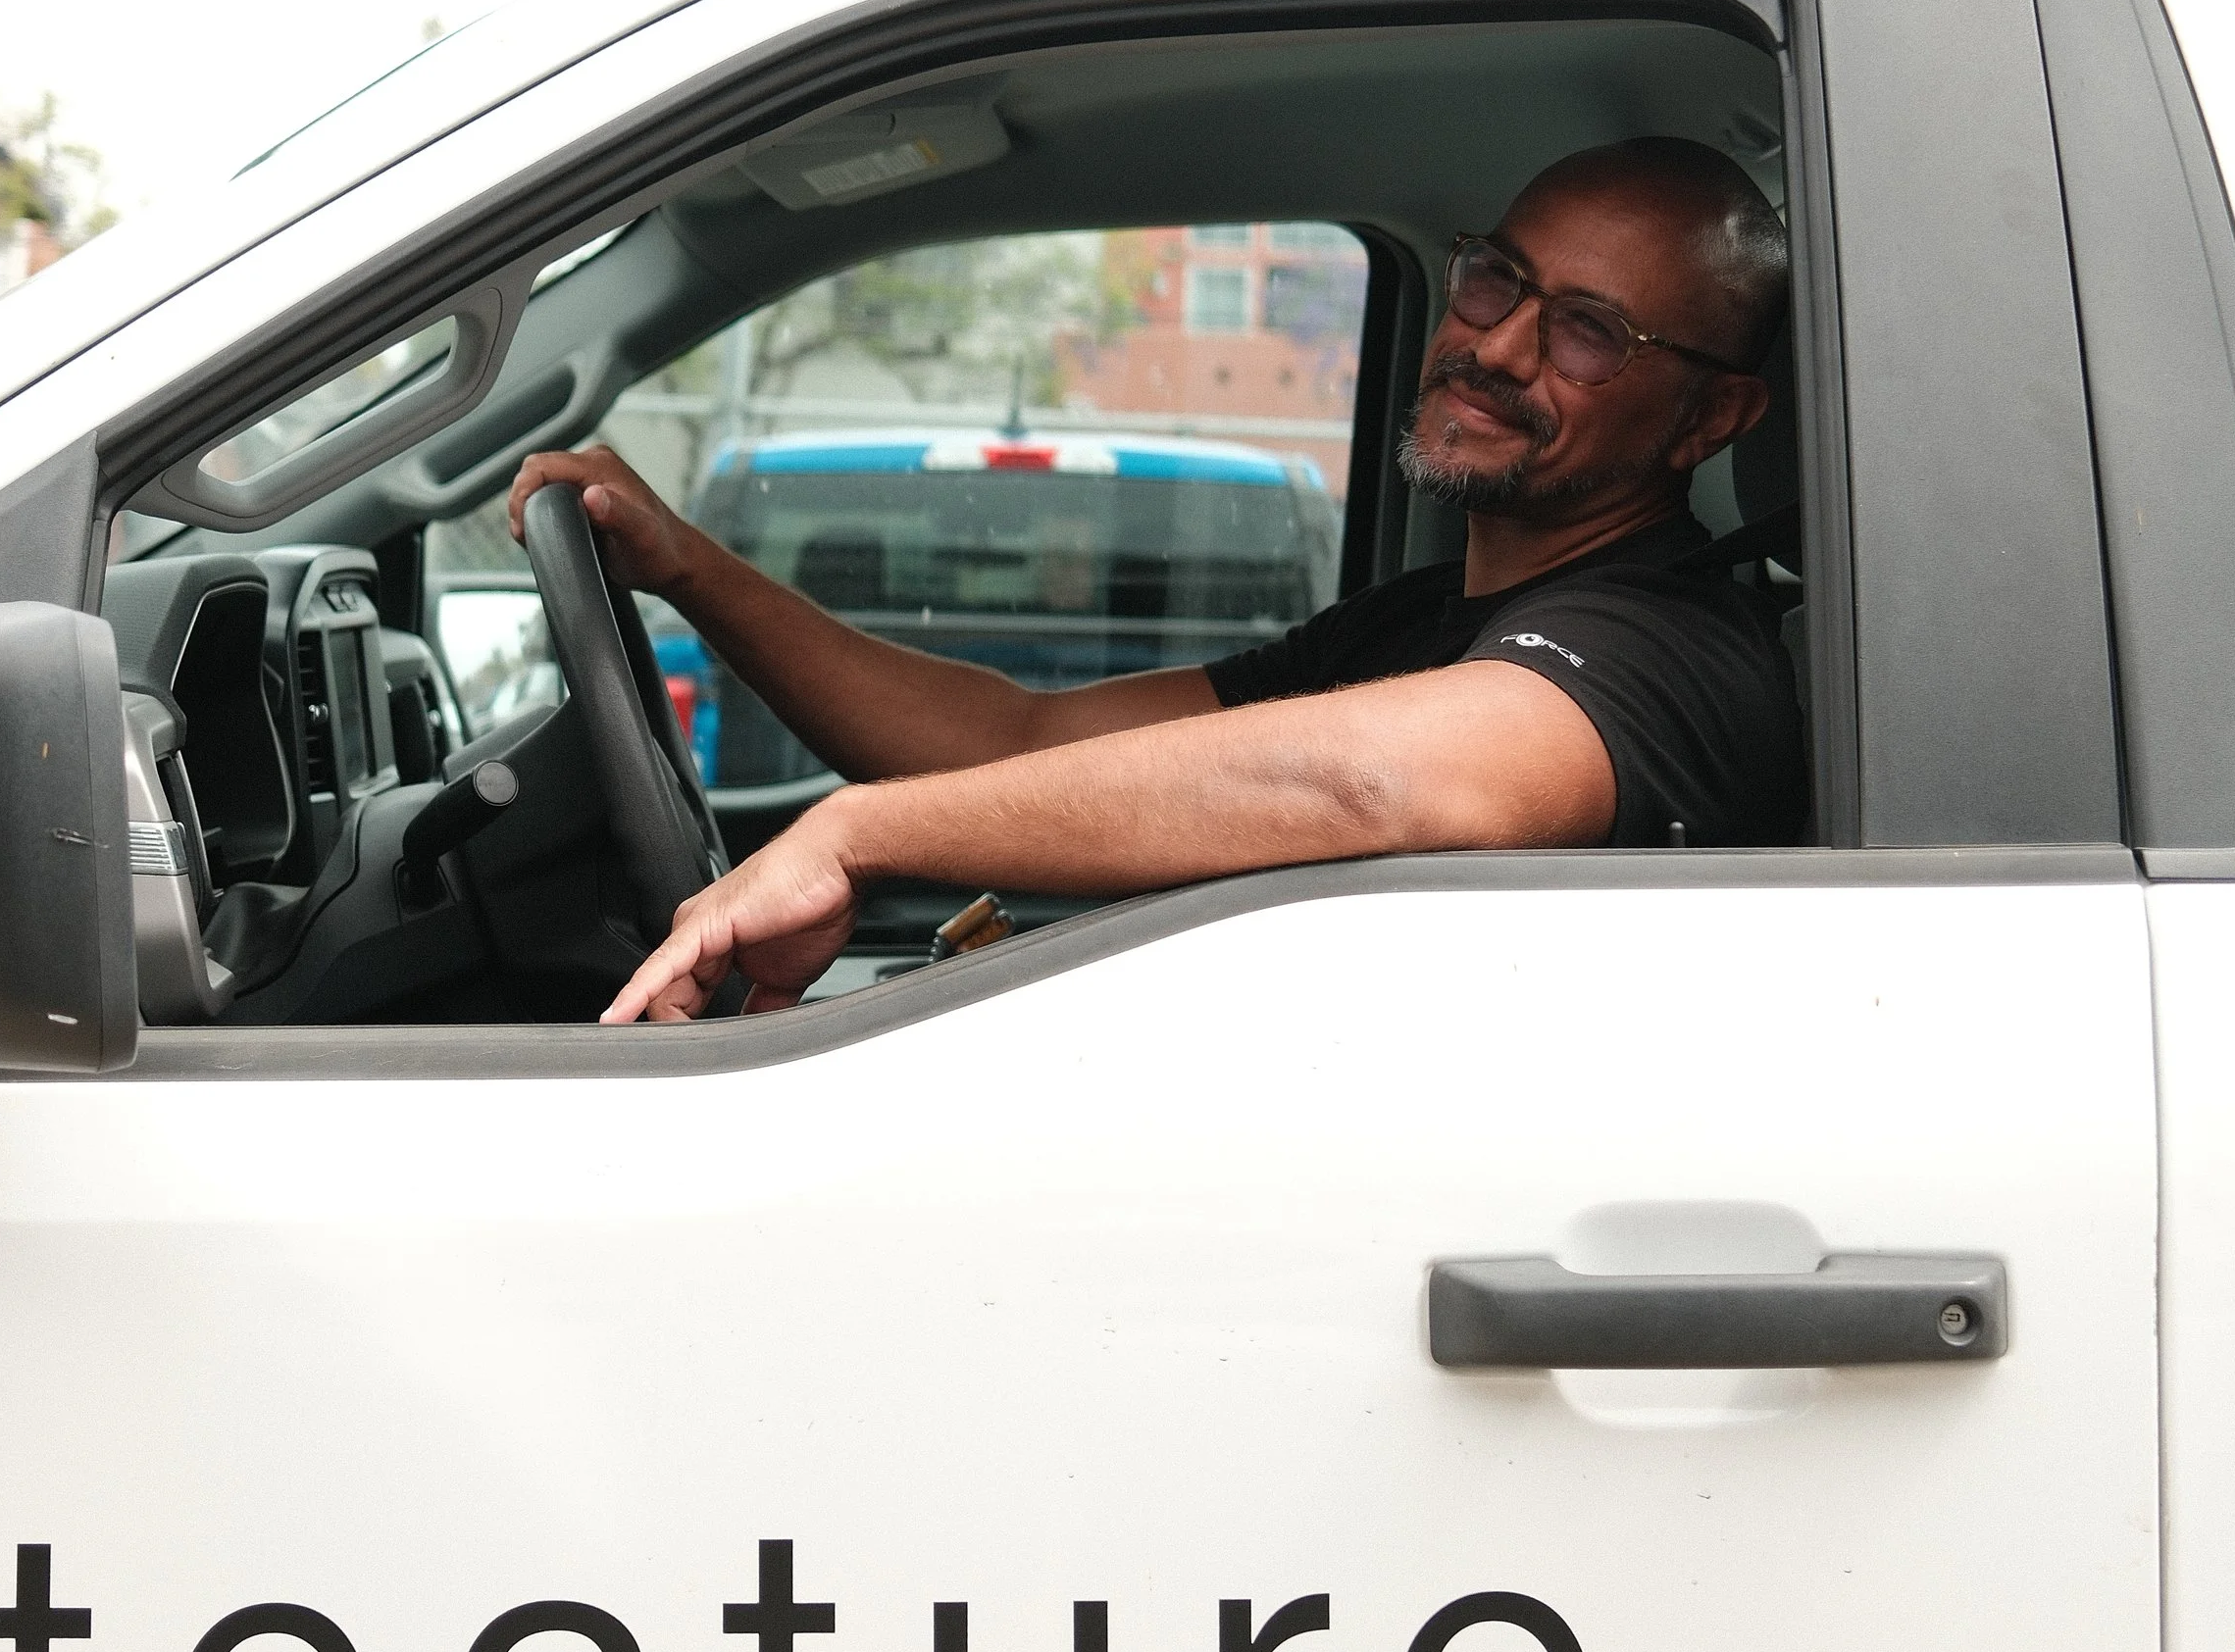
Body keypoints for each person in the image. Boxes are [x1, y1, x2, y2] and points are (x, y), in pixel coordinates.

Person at [508, 134, 1803, 1026]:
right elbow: (1015, 737)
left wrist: (856, 835)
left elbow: (1392, 780)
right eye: (1496, 280)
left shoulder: (1678, 647)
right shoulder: (1420, 623)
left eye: (1587, 332)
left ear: (1709, 420)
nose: (1497, 345)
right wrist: (688, 567)